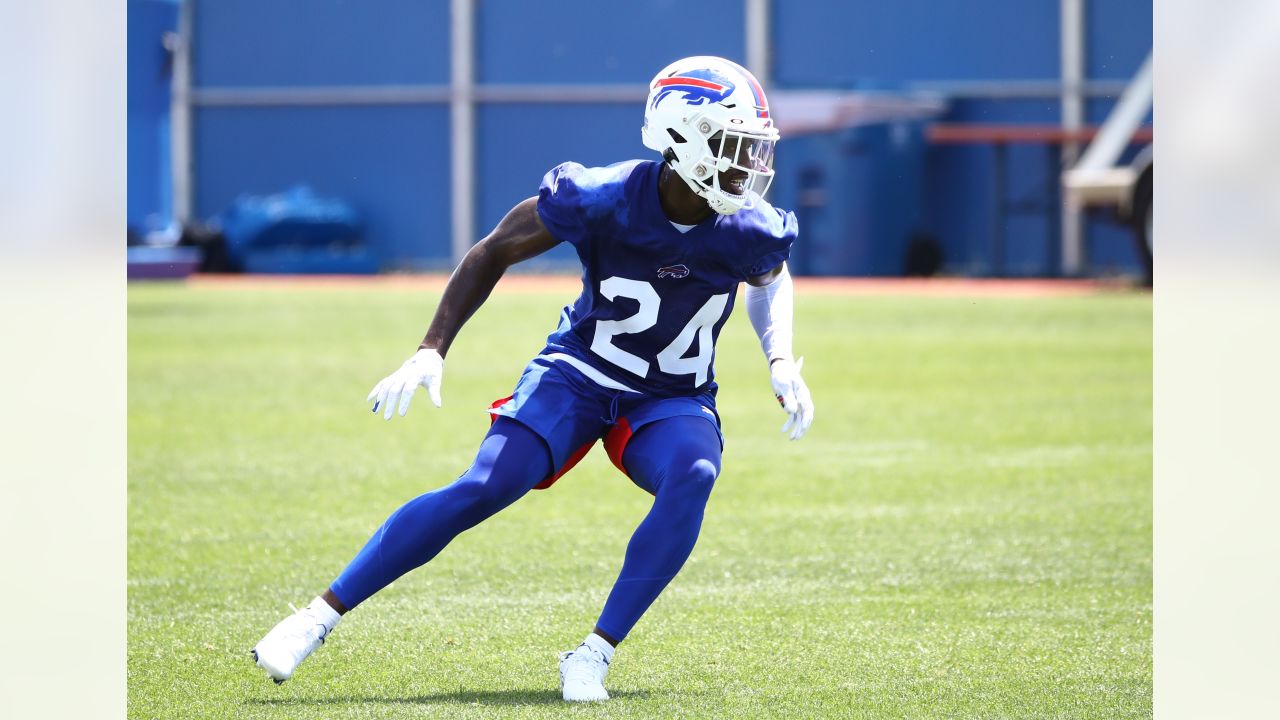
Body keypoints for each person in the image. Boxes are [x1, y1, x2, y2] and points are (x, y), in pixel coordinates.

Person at [251, 55, 815, 703]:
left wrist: (779, 357)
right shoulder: (602, 197)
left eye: (752, 150)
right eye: (732, 146)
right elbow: (495, 248)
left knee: (693, 474)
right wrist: (432, 348)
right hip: (578, 374)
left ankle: (593, 654)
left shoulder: (747, 226)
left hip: (669, 396)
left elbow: (770, 279)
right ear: (681, 136)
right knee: (486, 484)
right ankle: (315, 618)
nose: (748, 167)